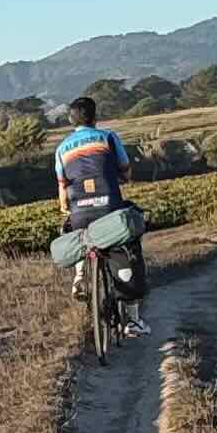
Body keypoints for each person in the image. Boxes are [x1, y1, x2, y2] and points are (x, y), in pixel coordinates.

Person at [54, 97, 147, 329]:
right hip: (109, 208)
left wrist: (67, 207)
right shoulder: (108, 137)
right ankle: (134, 319)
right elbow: (124, 168)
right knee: (128, 243)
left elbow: (62, 187)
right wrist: (124, 177)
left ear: (70, 120)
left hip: (79, 213)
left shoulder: (61, 148)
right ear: (96, 117)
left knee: (79, 232)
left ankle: (80, 275)